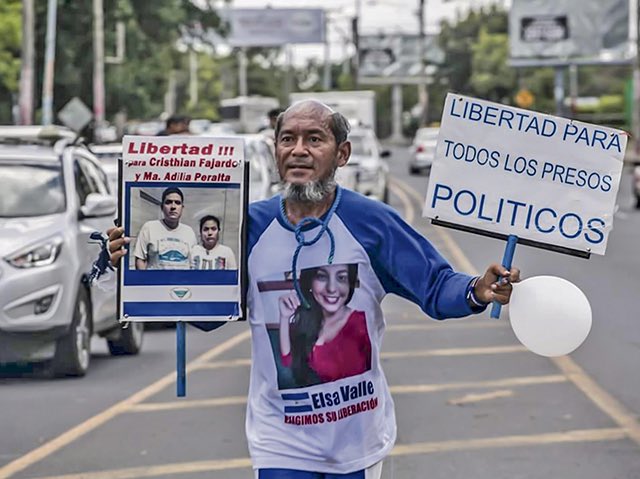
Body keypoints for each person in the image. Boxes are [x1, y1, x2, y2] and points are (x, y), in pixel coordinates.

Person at [102, 100, 520, 478]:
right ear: (275, 151)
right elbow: (210, 315)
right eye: (288, 139)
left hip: (356, 438)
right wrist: (143, 273)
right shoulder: (248, 227)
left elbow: (434, 285)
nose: (298, 149)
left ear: (342, 154)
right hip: (279, 436)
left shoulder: (371, 222)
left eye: (314, 139)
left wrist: (477, 290)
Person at [278, 263, 371, 388]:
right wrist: (284, 317)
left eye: (341, 278)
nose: (332, 288)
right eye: (322, 277)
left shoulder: (362, 324)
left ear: (350, 283)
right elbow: (289, 362)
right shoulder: (309, 321)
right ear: (310, 282)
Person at [133, 187, 197, 270]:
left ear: (182, 208)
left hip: (182, 282)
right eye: (168, 202)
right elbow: (140, 259)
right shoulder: (149, 227)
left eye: (177, 203)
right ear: (162, 207)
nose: (173, 206)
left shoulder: (189, 232)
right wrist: (144, 280)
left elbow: (194, 263)